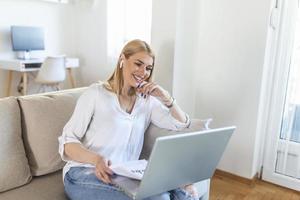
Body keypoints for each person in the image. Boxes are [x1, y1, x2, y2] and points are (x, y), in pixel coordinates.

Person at [58, 39, 198, 200]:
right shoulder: (95, 94)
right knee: (161, 198)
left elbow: (181, 124)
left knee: (182, 195)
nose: (143, 72)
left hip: (122, 174)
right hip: (83, 172)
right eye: (138, 64)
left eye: (148, 68)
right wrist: (97, 159)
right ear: (122, 60)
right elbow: (67, 142)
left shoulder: (147, 101)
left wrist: (166, 98)